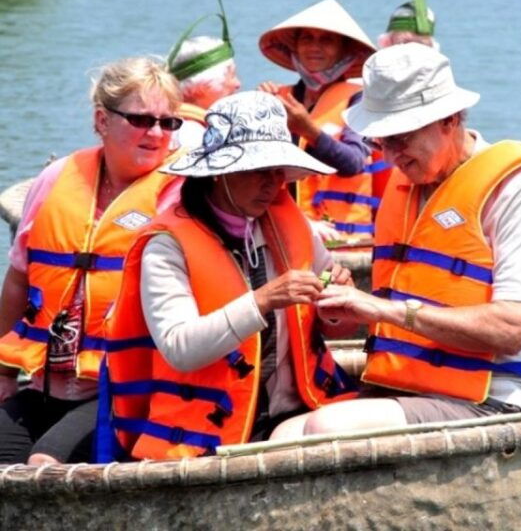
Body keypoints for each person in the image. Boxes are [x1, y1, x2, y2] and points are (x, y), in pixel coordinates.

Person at [271, 44, 521, 439]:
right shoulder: (404, 187)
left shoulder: (517, 189)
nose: (391, 155)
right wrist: (343, 312)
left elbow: (511, 329)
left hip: (495, 400)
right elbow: (375, 319)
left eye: (401, 138)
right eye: (382, 141)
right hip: (406, 390)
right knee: (283, 433)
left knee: (325, 425)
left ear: (449, 120)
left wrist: (384, 310)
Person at [99, 91, 359, 461]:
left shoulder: (289, 222)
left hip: (299, 408)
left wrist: (337, 307)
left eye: (277, 171)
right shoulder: (166, 245)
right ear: (219, 173)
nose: (271, 184)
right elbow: (180, 348)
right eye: (257, 171)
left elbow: (333, 327)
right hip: (206, 434)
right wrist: (263, 300)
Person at [0, 56, 184, 464]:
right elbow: (18, 279)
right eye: (140, 120)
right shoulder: (56, 178)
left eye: (168, 122)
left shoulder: (181, 195)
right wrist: (4, 370)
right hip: (45, 384)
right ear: (102, 120)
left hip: (127, 390)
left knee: (42, 467)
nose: (156, 133)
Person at [257, 0, 385, 243]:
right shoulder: (277, 97)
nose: (315, 47)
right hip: (284, 229)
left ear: (344, 50)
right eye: (307, 39)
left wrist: (308, 130)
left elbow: (354, 162)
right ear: (295, 47)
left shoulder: (359, 100)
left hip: (339, 236)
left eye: (326, 40)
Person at [168, 35, 241, 150]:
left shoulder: (169, 125)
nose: (237, 84)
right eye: (231, 75)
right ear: (200, 86)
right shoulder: (192, 135)